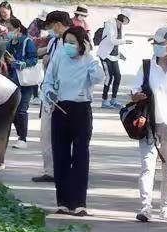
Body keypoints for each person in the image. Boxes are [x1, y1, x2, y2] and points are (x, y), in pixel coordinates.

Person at [43, 26, 103, 216]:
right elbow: (48, 80)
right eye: (66, 42)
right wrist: (49, 93)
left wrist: (90, 58)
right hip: (60, 108)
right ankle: (63, 201)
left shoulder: (90, 59)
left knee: (80, 156)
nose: (68, 46)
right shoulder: (60, 55)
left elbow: (98, 78)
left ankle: (79, 202)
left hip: (81, 108)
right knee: (60, 156)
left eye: (72, 43)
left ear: (82, 44)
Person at [132, 27, 167, 222]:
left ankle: (166, 208)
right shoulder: (146, 66)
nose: (157, 48)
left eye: (160, 44)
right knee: (147, 167)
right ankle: (145, 208)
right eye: (155, 44)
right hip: (149, 124)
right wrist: (136, 96)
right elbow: (134, 90)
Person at [32, 11, 72, 183]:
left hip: (66, 94)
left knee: (63, 134)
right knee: (46, 133)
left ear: (57, 24)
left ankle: (62, 169)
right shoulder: (54, 41)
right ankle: (50, 169)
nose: (50, 30)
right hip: (49, 93)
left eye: (51, 26)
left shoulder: (73, 40)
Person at [6, 18, 38, 149]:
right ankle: (20, 135)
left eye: (10, 29)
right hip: (12, 80)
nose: (8, 32)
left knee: (21, 110)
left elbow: (33, 59)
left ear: (18, 28)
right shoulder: (9, 43)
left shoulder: (27, 42)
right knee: (12, 110)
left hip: (25, 82)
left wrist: (18, 63)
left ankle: (23, 138)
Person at [97, 9, 134, 109]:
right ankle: (104, 101)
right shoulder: (110, 23)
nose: (128, 21)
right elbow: (112, 40)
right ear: (123, 17)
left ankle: (113, 100)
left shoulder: (120, 26)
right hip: (105, 54)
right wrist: (125, 41)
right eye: (127, 19)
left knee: (117, 76)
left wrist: (119, 54)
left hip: (113, 56)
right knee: (109, 77)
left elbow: (116, 43)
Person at [28, 10, 50, 105]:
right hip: (36, 51)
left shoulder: (48, 27)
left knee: (43, 75)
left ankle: (41, 92)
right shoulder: (34, 26)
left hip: (45, 51)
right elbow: (31, 39)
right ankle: (35, 95)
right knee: (35, 75)